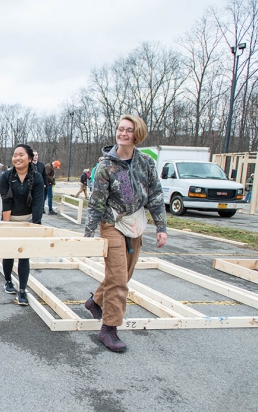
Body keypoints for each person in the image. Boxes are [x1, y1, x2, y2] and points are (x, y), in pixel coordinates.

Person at [84, 114, 167, 353]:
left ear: (136, 134)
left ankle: (96, 300)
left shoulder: (145, 163)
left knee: (124, 275)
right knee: (119, 279)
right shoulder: (105, 166)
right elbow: (96, 203)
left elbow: (156, 196)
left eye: (128, 130)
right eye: (120, 129)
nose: (122, 133)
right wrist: (88, 235)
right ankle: (109, 329)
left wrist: (161, 227)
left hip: (135, 223)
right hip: (111, 223)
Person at [0, 144, 44, 305]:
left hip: (28, 221)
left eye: (21, 155)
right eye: (14, 155)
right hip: (10, 219)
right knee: (9, 253)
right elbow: (6, 203)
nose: (17, 158)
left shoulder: (37, 178)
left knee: (24, 255)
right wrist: (6, 225)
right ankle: (8, 281)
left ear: (30, 158)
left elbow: (38, 204)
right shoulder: (6, 177)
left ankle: (23, 290)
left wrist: (35, 226)